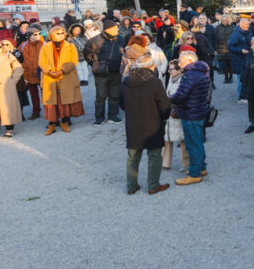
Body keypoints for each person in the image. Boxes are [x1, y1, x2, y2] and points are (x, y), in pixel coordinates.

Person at [120, 52, 171, 196]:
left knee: (133, 156)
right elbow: (165, 105)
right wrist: (164, 118)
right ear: (150, 66)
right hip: (152, 123)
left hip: (132, 123)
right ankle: (153, 185)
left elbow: (121, 104)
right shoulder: (154, 82)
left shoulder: (126, 81)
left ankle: (131, 186)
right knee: (154, 156)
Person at [169, 50, 210, 186]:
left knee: (192, 144)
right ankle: (201, 167)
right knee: (198, 141)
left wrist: (169, 98)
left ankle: (194, 174)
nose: (179, 63)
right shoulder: (201, 71)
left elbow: (181, 95)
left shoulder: (189, 75)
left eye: (181, 61)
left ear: (189, 61)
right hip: (199, 111)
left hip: (190, 113)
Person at [38, 25, 84, 135]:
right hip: (50, 77)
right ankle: (51, 125)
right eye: (58, 33)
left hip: (66, 76)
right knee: (51, 102)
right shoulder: (45, 47)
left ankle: (64, 122)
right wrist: (49, 71)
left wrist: (62, 71)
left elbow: (73, 61)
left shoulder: (70, 46)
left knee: (65, 101)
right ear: (52, 34)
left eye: (62, 33)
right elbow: (41, 61)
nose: (61, 35)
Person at [85, 18, 125, 125]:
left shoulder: (120, 39)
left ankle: (113, 115)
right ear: (107, 29)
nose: (117, 29)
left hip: (116, 71)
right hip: (101, 72)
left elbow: (123, 51)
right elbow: (87, 54)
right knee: (101, 95)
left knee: (114, 94)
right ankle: (99, 117)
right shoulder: (95, 40)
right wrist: (95, 64)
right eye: (114, 28)